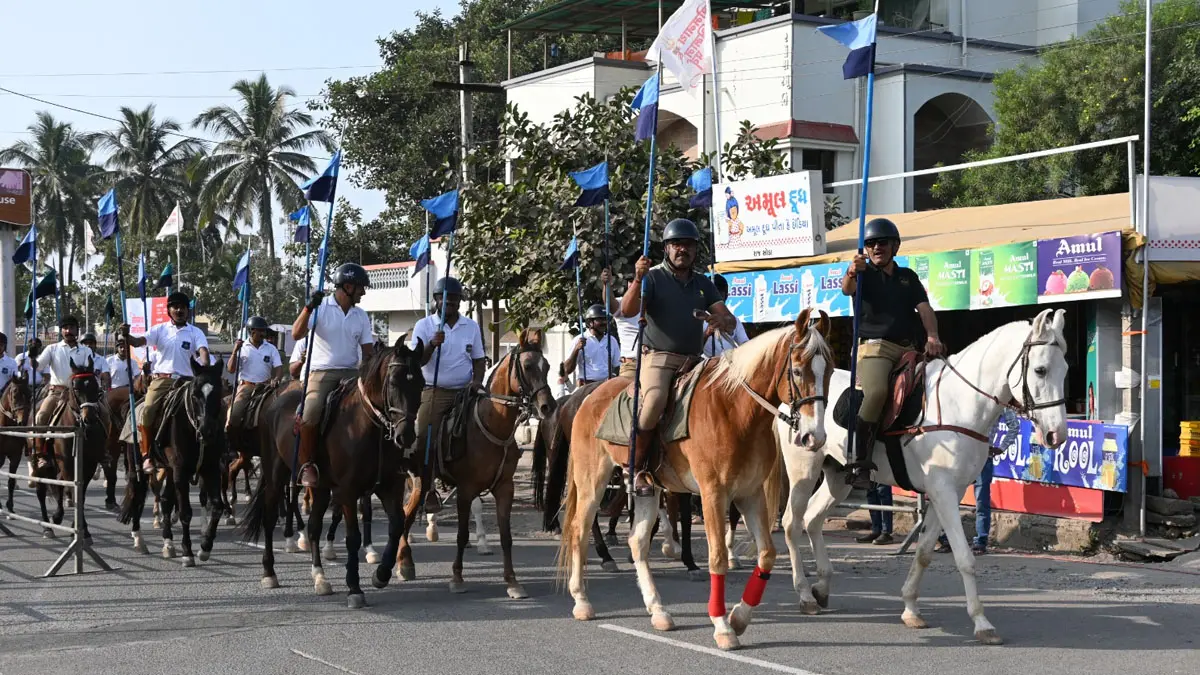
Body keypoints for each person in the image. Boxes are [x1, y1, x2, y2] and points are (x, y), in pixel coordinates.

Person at [619, 218, 736, 496]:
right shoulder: (653, 277)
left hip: (694, 360)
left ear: (696, 250)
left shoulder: (703, 284)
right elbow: (627, 309)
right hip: (658, 358)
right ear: (667, 249)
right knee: (655, 401)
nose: (682, 249)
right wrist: (637, 278)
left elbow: (727, 316)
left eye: (688, 245)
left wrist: (722, 321)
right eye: (676, 244)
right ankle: (635, 467)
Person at [840, 218, 945, 489]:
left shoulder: (907, 277)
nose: (876, 248)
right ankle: (859, 460)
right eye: (871, 243)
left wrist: (932, 336)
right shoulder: (862, 273)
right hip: (874, 347)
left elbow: (924, 309)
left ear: (895, 246)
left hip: (908, 347)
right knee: (876, 393)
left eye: (882, 242)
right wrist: (852, 272)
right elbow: (846, 289)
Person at [290, 263, 374, 488]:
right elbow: (296, 333)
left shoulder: (361, 316)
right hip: (321, 372)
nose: (363, 293)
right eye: (360, 288)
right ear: (347, 287)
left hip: (351, 372)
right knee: (312, 411)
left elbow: (368, 352)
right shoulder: (320, 308)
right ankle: (308, 464)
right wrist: (308, 308)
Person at [409, 276, 486, 513]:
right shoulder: (424, 326)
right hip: (435, 390)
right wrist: (432, 344)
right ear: (436, 301)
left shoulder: (471, 326)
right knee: (423, 436)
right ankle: (427, 486)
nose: (450, 304)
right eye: (445, 300)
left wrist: (476, 381)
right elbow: (417, 361)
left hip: (465, 391)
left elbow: (479, 359)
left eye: (454, 300)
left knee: (487, 428)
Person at [122, 291, 211, 473]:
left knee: (209, 407)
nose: (179, 310)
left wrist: (206, 366)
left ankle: (214, 452)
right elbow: (138, 342)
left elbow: (203, 351)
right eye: (175, 307)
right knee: (147, 411)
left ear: (188, 310)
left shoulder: (195, 332)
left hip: (188, 381)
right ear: (169, 310)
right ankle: (147, 455)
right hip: (162, 381)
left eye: (183, 307)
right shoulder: (159, 329)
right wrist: (127, 335)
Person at [937, 407, 1018, 555]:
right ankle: (948, 539)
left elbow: (1014, 425)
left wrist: (1000, 448)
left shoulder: (1000, 402)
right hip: (961, 455)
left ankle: (980, 541)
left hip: (983, 457)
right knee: (952, 498)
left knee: (981, 501)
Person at [32, 315, 95, 468]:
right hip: (57, 392)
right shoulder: (52, 349)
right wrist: (32, 355)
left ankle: (103, 451)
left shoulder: (86, 350)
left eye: (72, 328)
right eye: (65, 328)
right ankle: (41, 454)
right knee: (40, 416)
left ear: (77, 330)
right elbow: (37, 367)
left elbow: (89, 371)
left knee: (103, 413)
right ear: (61, 331)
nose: (68, 331)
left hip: (80, 393)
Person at [227, 316, 284, 431]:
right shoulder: (242, 348)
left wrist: (277, 378)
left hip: (266, 387)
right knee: (235, 415)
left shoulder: (271, 348)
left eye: (264, 330)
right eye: (260, 330)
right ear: (252, 331)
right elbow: (231, 369)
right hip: (246, 387)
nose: (263, 333)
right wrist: (234, 351)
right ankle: (232, 441)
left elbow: (279, 367)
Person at [563, 304, 620, 385]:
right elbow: (567, 369)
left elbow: (617, 365)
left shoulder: (612, 340)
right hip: (586, 385)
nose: (604, 322)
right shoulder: (578, 340)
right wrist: (576, 349)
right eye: (600, 319)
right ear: (590, 323)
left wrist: (614, 375)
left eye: (605, 319)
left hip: (606, 385)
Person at [600, 268, 640, 378]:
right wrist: (606, 284)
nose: (633, 284)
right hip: (632, 365)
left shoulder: (654, 303)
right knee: (628, 394)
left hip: (656, 361)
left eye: (638, 280)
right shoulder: (621, 303)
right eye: (630, 281)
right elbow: (609, 302)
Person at [702, 274, 749, 358]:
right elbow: (693, 349)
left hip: (728, 365)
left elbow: (744, 343)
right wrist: (707, 333)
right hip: (705, 365)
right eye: (712, 296)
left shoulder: (734, 320)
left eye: (719, 295)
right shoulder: (699, 318)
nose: (715, 298)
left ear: (726, 295)